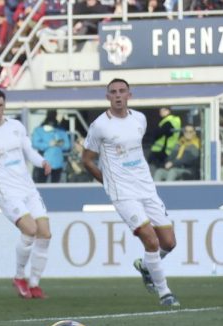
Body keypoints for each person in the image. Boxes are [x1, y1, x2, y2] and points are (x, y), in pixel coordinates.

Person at [81, 78, 180, 307]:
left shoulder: (140, 119)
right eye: (113, 92)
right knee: (151, 240)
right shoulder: (100, 125)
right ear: (107, 97)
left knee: (169, 242)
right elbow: (87, 160)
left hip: (146, 188)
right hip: (122, 192)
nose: (117, 95)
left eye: (122, 91)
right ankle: (165, 294)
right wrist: (107, 183)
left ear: (129, 95)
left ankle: (146, 266)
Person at [0, 89, 52, 299]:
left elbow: (28, 151)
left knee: (45, 234)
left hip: (28, 188)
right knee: (30, 229)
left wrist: (41, 161)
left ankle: (34, 284)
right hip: (5, 192)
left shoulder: (16, 126)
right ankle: (18, 276)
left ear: (4, 105)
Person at [31, 111, 71, 183]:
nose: (52, 118)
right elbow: (35, 144)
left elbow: (67, 145)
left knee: (56, 188)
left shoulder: (61, 130)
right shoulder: (39, 130)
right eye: (50, 115)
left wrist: (59, 144)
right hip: (43, 164)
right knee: (41, 186)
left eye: (53, 115)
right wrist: (48, 144)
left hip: (57, 164)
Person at [147, 106, 182, 171]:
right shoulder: (175, 120)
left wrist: (152, 136)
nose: (160, 112)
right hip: (169, 148)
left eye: (162, 111)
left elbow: (159, 133)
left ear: (168, 111)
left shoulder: (168, 121)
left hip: (162, 149)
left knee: (155, 168)